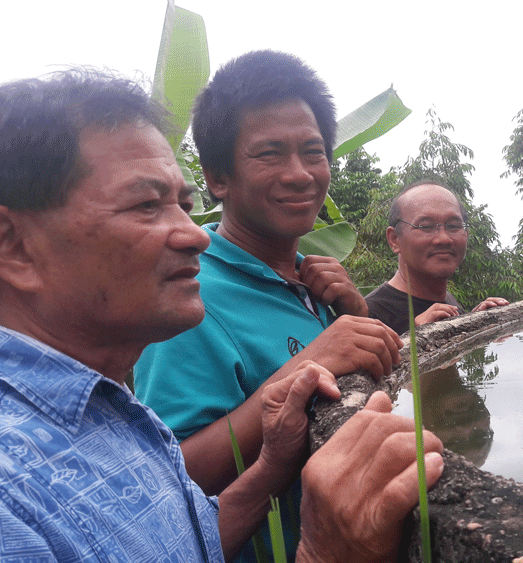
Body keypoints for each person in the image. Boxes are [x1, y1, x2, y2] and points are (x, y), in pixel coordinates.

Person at [0, 70, 443, 563]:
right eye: (145, 204)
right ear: (11, 245)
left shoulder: (114, 410)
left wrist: (270, 466)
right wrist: (326, 552)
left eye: (183, 204)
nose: (196, 235)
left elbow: (182, 539)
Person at [133, 50, 403, 558]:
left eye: (313, 150)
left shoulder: (312, 279)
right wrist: (311, 360)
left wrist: (353, 318)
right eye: (269, 154)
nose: (300, 174)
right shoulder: (190, 293)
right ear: (218, 177)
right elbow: (172, 476)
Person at [365, 181, 509, 334]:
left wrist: (476, 325)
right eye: (426, 227)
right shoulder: (369, 317)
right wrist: (415, 339)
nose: (444, 239)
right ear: (394, 239)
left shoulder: (448, 301)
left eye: (453, 226)